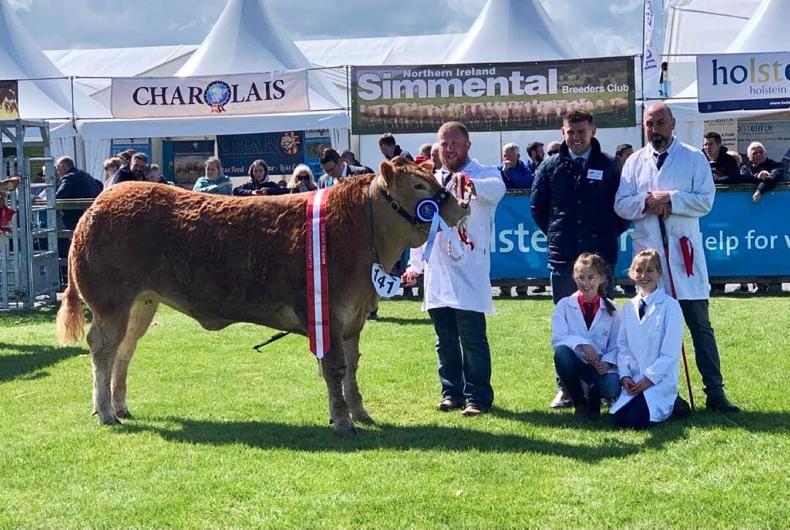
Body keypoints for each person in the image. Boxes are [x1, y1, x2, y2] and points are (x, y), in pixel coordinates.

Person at [615, 101, 740, 413]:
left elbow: (705, 201)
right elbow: (621, 204)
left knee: (699, 326)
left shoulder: (693, 158)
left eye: (659, 123)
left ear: (672, 124)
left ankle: (715, 392)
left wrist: (671, 199)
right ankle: (663, 396)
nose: (654, 130)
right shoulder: (633, 163)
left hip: (684, 258)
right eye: (649, 124)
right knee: (652, 333)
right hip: (650, 263)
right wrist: (646, 202)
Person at [402, 121, 506, 417]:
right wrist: (415, 265)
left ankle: (478, 397)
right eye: (443, 144)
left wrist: (469, 184)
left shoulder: (483, 173)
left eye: (454, 143)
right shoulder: (432, 179)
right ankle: (451, 392)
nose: (448, 149)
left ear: (467, 145)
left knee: (472, 337)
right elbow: (422, 227)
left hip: (469, 267)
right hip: (437, 268)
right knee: (444, 338)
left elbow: (497, 189)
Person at [532, 109, 629, 409]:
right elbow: (539, 208)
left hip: (601, 257)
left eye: (581, 132)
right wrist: (559, 234)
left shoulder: (611, 166)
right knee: (566, 323)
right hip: (563, 258)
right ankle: (567, 388)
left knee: (602, 323)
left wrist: (603, 235)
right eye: (570, 132)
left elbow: (622, 211)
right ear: (563, 132)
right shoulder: (549, 167)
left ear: (593, 131)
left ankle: (601, 383)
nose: (575, 137)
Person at [611, 249, 689, 429]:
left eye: (650, 270)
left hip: (658, 380)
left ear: (659, 273)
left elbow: (670, 353)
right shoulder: (629, 307)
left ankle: (675, 403)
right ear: (631, 273)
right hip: (634, 380)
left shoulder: (671, 306)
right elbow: (623, 347)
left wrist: (649, 379)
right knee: (619, 421)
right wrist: (625, 376)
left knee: (635, 422)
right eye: (638, 270)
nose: (644, 275)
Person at [552, 253, 621, 420]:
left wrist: (607, 362)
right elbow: (558, 338)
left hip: (601, 365)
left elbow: (617, 344)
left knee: (611, 387)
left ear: (601, 278)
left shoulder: (613, 308)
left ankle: (596, 396)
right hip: (577, 363)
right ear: (574, 278)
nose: (586, 283)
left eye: (591, 277)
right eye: (580, 277)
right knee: (561, 354)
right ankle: (579, 403)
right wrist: (582, 343)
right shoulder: (564, 305)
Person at [54, 156, 103, 258]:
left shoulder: (69, 177)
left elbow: (59, 195)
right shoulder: (85, 175)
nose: (57, 172)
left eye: (58, 168)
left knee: (74, 245)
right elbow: (100, 185)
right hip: (92, 214)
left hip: (75, 218)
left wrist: (49, 199)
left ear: (63, 166)